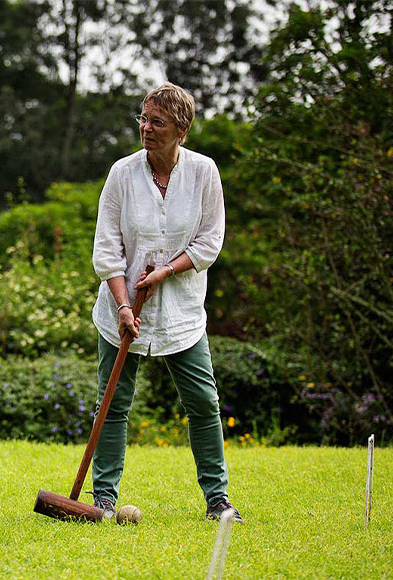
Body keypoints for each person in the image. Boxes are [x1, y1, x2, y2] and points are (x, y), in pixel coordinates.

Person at [90, 83, 241, 522]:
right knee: (112, 403)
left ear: (182, 130)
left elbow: (210, 241)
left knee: (202, 402)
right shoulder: (122, 173)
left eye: (157, 122)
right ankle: (103, 498)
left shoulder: (203, 172)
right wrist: (122, 306)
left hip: (182, 313)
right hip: (120, 309)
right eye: (143, 117)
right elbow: (107, 249)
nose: (146, 128)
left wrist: (165, 271)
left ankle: (218, 500)